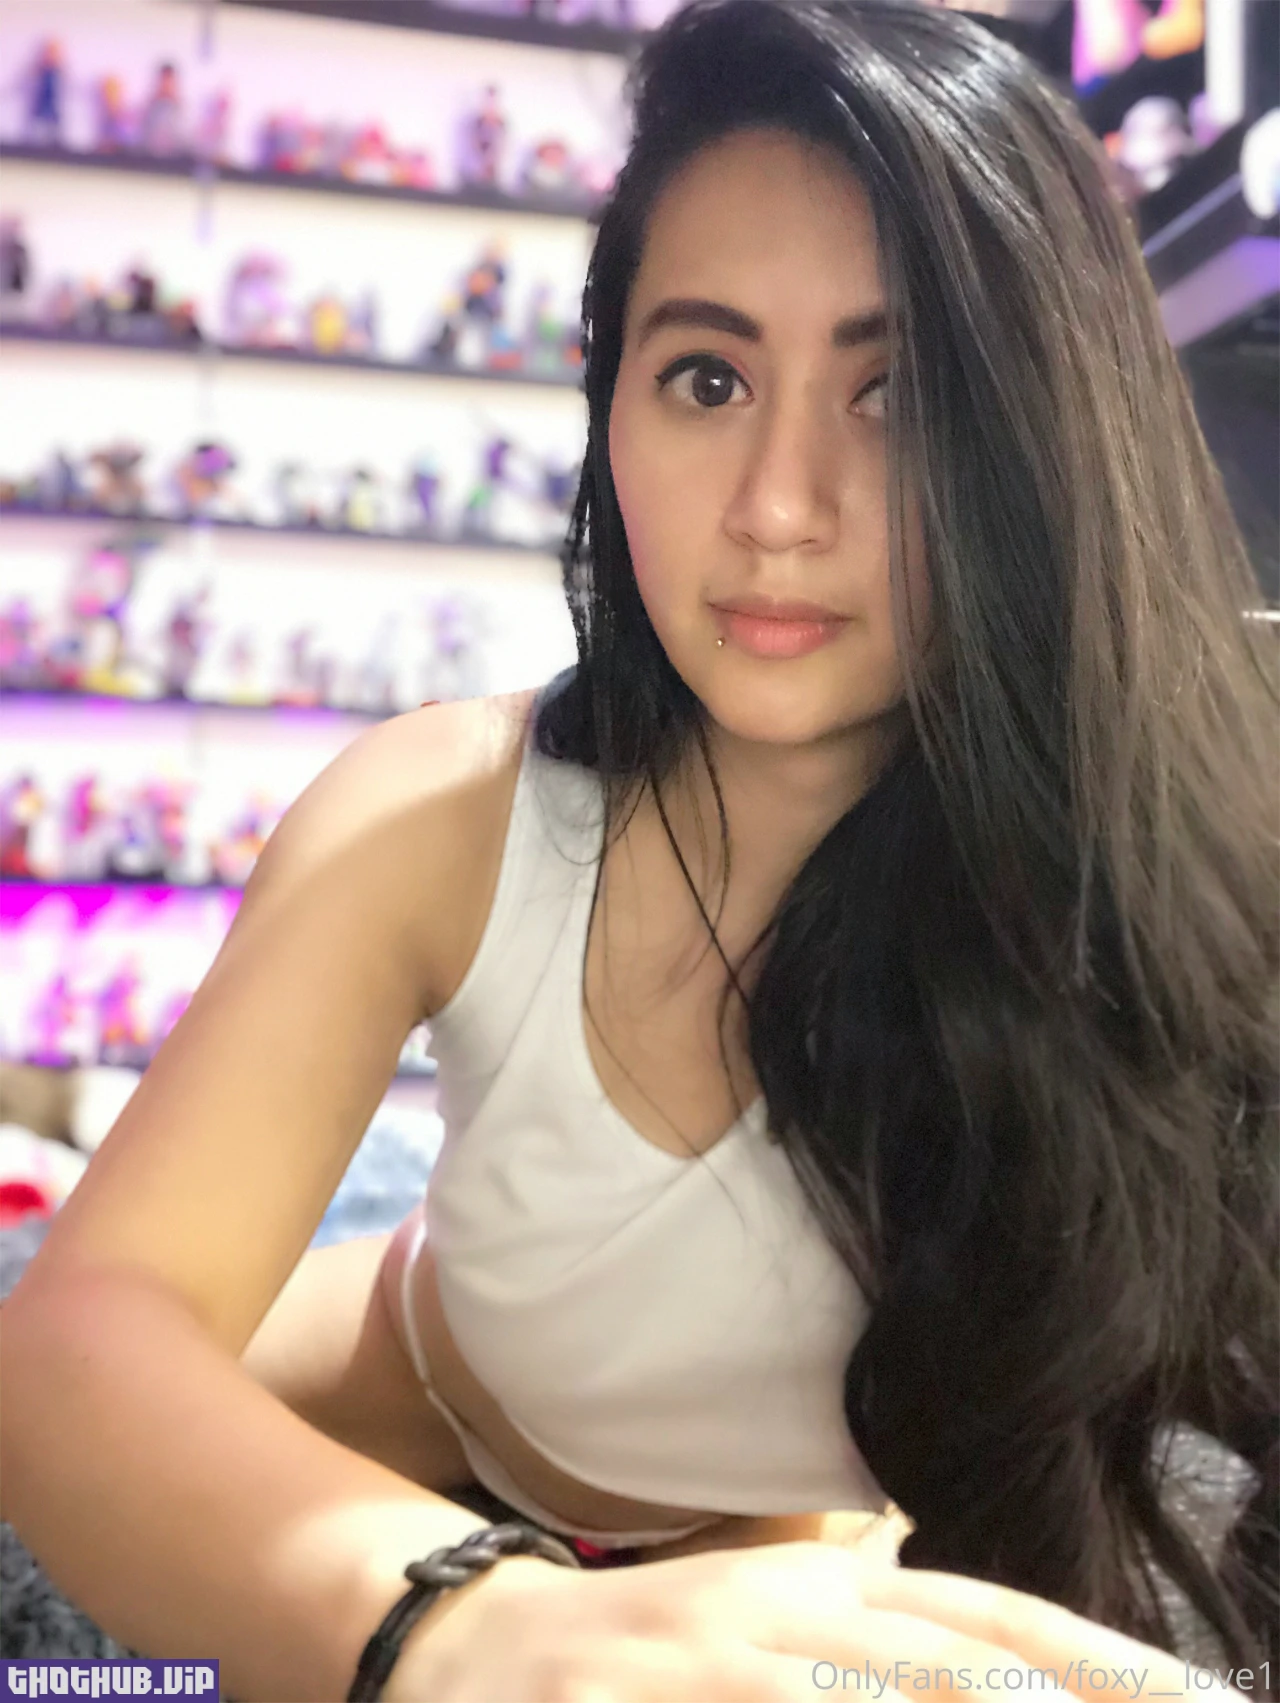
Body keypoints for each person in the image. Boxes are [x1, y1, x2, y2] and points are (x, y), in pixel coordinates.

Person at [2, 1, 1275, 1698]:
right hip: (411, 1420)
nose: (777, 505)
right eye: (706, 377)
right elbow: (80, 1341)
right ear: (611, 402)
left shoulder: (1188, 853)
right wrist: (463, 1625)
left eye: (897, 392)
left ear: (1046, 431)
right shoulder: (443, 814)